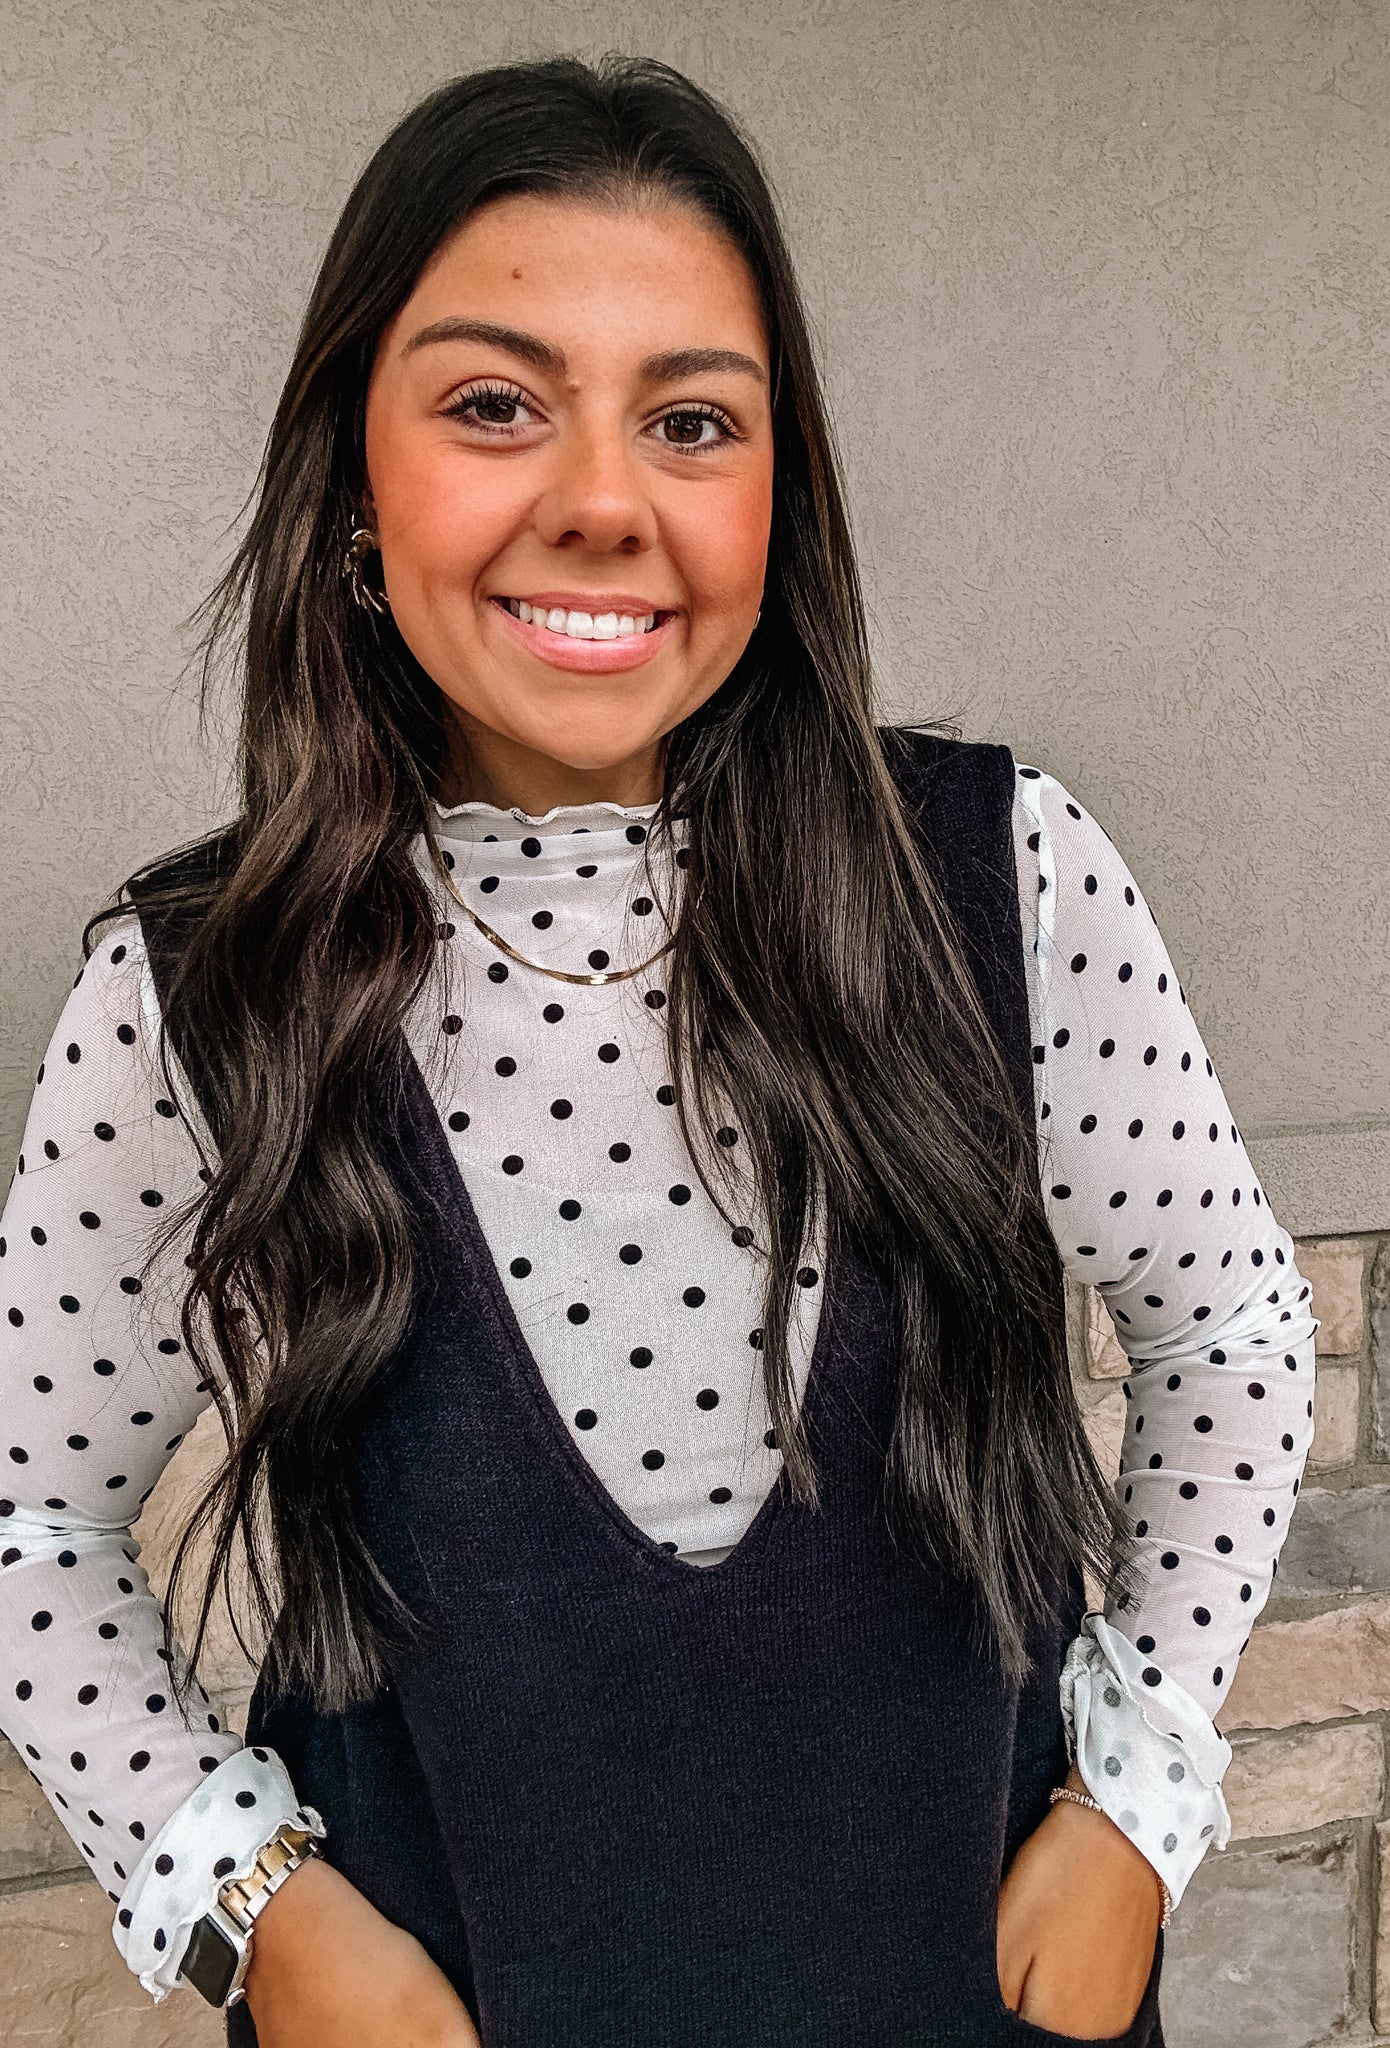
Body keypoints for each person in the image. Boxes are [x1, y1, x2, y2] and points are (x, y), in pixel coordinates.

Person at [0, 54, 1316, 2048]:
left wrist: (1134, 1808)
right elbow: (31, 1521)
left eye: (691, 421)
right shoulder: (202, 993)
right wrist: (255, 1906)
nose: (603, 502)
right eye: (494, 405)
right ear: (352, 478)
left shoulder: (998, 883)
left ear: (780, 495)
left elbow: (1231, 1332)